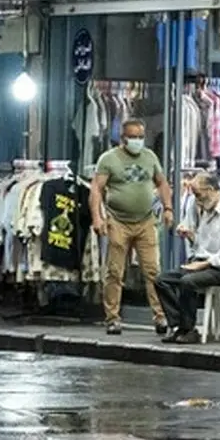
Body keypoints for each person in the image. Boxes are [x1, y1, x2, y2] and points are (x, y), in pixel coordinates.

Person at [90, 119, 175, 336]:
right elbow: (97, 189)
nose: (137, 140)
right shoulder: (108, 159)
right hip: (118, 220)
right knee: (115, 271)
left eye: (140, 136)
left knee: (153, 271)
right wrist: (98, 218)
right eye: (133, 137)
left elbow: (162, 182)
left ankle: (160, 316)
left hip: (146, 220)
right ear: (123, 138)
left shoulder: (150, 157)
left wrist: (168, 208)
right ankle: (113, 317)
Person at [157, 172, 220, 345]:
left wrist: (203, 264)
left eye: (198, 194)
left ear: (211, 190)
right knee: (162, 280)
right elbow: (202, 245)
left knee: (188, 282)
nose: (196, 200)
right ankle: (179, 325)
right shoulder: (206, 210)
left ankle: (189, 330)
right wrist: (191, 236)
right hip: (203, 263)